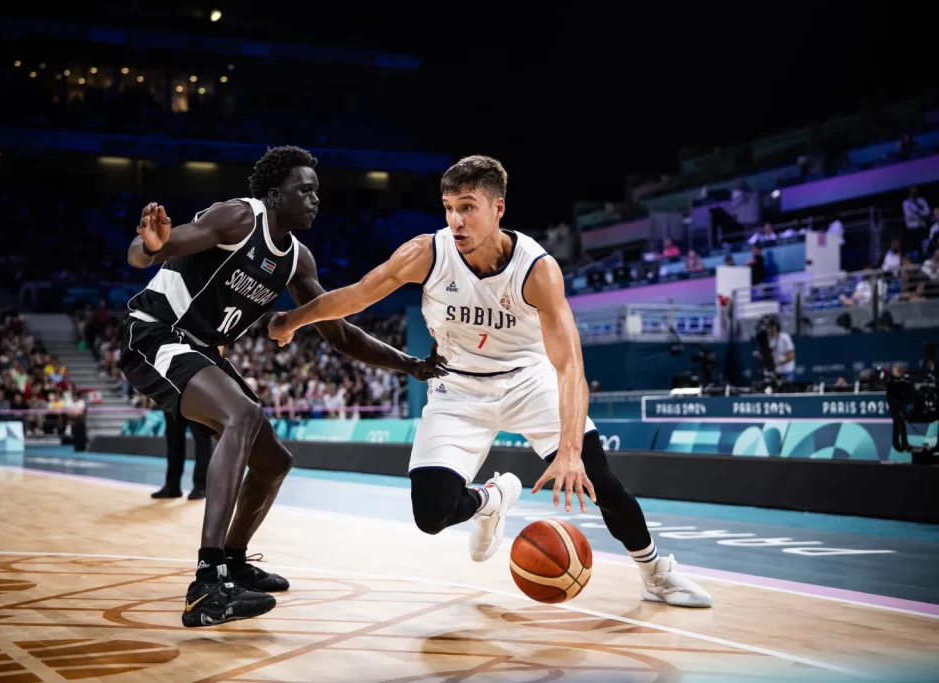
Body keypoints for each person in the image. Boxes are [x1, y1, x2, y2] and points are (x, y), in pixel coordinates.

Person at [269, 155, 712, 608]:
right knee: (430, 514)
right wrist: (292, 319)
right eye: (448, 208)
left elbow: (570, 366)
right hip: (456, 385)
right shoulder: (426, 253)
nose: (456, 221)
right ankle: (491, 500)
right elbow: (356, 296)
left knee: (600, 480)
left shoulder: (536, 269)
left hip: (528, 379)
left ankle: (657, 573)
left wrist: (571, 452)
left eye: (467, 207)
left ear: (498, 208)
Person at [121, 145, 446, 627]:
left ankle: (233, 560)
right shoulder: (237, 217)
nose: (316, 199)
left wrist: (411, 365)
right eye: (305, 190)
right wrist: (148, 244)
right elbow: (151, 249)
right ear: (275, 195)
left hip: (201, 350)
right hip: (156, 331)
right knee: (243, 416)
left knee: (275, 461)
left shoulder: (297, 259)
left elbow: (339, 333)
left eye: (317, 192)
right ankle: (207, 583)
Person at [151, 410, 212, 500]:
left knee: (202, 438)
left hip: (196, 400)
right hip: (172, 400)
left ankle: (201, 486)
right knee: (173, 441)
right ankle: (172, 487)